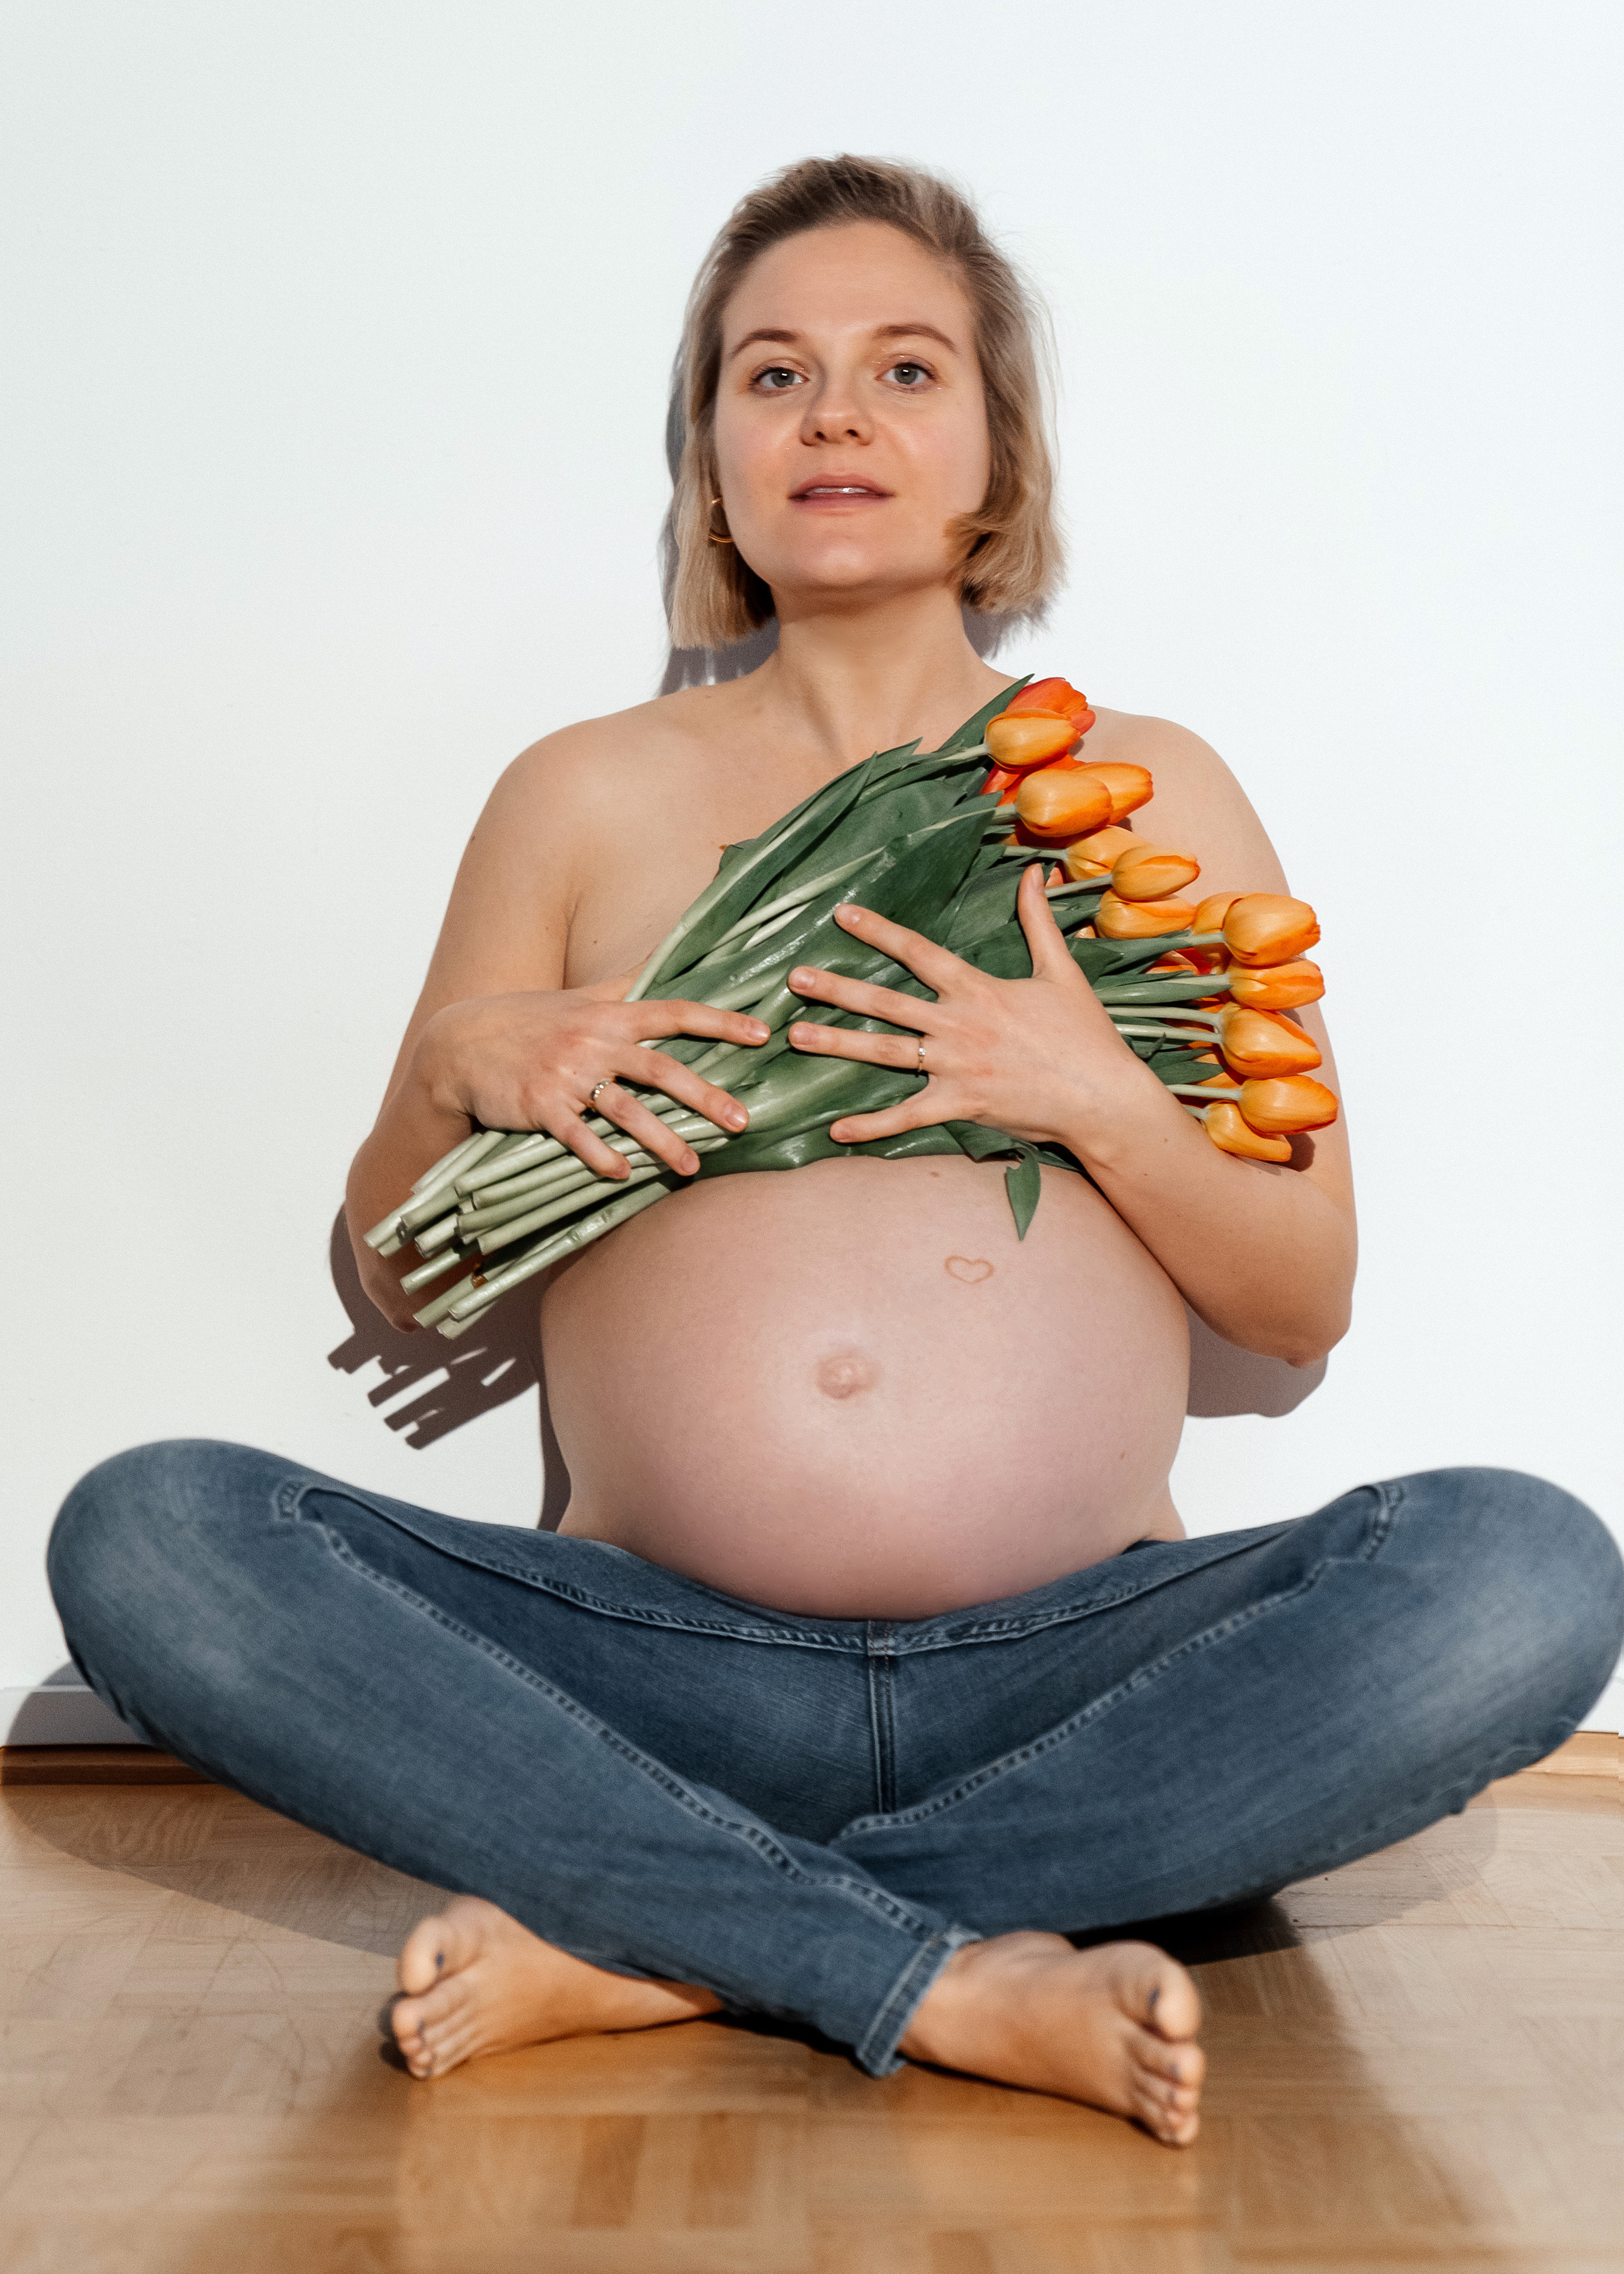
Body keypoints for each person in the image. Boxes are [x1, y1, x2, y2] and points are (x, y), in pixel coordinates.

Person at [47, 156, 1623, 2150]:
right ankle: (953, 1955)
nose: (838, 415)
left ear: (994, 458)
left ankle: (678, 1938)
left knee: (1523, 1573)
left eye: (904, 369)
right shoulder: (581, 795)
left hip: (1074, 1672)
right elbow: (400, 1270)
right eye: (772, 375)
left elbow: (1301, 1300)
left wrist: (1097, 1095)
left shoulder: (1152, 792)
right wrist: (462, 1066)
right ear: (712, 460)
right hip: (650, 1674)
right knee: (151, 1532)